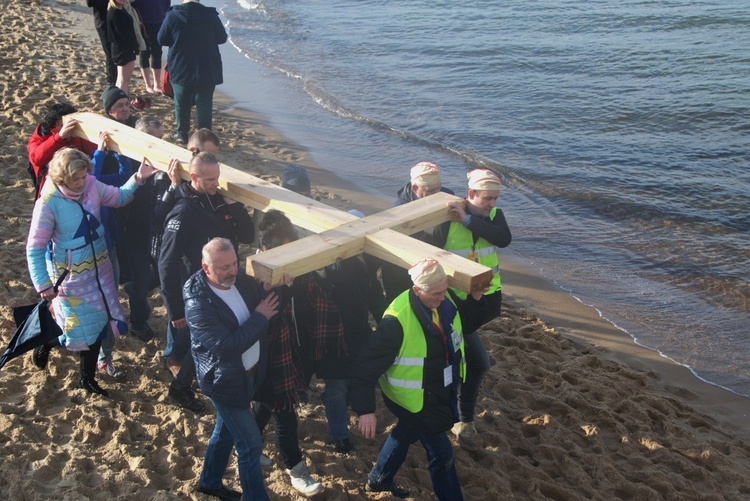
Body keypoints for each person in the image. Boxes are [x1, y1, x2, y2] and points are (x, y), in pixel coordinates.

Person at [351, 258, 489, 500]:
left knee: (406, 432)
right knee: (443, 454)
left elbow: (466, 324)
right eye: (436, 293)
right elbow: (365, 367)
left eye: (445, 290)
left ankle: (378, 480)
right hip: (413, 399)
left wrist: (475, 298)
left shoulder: (442, 301)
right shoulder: (396, 321)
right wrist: (365, 410)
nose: (443, 298)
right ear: (417, 290)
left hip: (437, 389)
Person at [27, 148, 155, 396]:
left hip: (101, 269)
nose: (80, 183)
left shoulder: (92, 184)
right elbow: (34, 248)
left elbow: (119, 198)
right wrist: (42, 284)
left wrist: (139, 178)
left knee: (97, 325)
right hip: (71, 278)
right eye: (75, 179)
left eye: (83, 176)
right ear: (62, 178)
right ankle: (63, 359)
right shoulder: (48, 203)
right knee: (81, 329)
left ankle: (80, 373)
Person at [184, 238, 281, 501]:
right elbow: (226, 346)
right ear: (206, 269)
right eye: (223, 267)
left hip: (248, 374)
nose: (232, 271)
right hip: (224, 382)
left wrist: (275, 285)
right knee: (250, 444)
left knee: (224, 431)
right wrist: (260, 316)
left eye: (234, 264)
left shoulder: (239, 280)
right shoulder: (198, 303)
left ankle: (209, 482)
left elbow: (265, 300)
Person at [423, 168, 512, 451]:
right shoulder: (446, 221)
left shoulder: (493, 217)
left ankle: (456, 416)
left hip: (483, 301)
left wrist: (471, 220)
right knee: (475, 362)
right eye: (487, 198)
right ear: (470, 194)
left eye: (495, 199)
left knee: (464, 361)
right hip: (452, 304)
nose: (493, 205)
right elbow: (427, 258)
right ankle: (461, 420)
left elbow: (504, 239)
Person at [159, 152, 254, 412]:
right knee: (203, 343)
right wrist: (174, 308)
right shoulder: (185, 210)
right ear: (193, 177)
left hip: (226, 281)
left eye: (217, 177)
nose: (216, 184)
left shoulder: (219, 201)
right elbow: (166, 262)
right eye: (210, 179)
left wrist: (235, 205)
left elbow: (248, 235)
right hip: (200, 289)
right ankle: (180, 387)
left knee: (206, 342)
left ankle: (184, 384)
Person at [252, 210, 331, 497]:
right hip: (272, 356)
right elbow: (267, 319)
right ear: (264, 249)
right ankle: (295, 468)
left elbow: (315, 299)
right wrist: (282, 288)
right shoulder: (258, 278)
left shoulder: (300, 268)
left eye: (291, 245)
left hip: (298, 351)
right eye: (280, 248)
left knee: (264, 405)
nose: (287, 253)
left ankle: (246, 445)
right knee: (284, 411)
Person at [101, 85, 155, 343]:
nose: (124, 109)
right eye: (118, 106)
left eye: (126, 104)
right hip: (120, 212)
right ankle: (138, 321)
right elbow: (106, 178)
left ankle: (138, 303)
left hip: (146, 206)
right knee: (134, 267)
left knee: (145, 268)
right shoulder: (104, 138)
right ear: (109, 111)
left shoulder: (139, 125)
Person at [91, 130, 133, 379]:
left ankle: (104, 358)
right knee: (83, 307)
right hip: (85, 257)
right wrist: (98, 153)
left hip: (109, 251)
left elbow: (124, 178)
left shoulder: (100, 183)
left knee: (110, 304)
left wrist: (119, 152)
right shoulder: (81, 187)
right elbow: (89, 179)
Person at [381, 162, 454, 304]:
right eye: (431, 191)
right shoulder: (399, 210)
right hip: (399, 267)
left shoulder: (446, 196)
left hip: (433, 259)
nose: (437, 195)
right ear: (415, 188)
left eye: (438, 189)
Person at [158, 0, 227, 145]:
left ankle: (181, 133)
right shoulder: (211, 16)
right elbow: (222, 38)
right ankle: (205, 137)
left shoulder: (173, 16)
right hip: (207, 67)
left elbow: (161, 38)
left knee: (181, 102)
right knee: (204, 103)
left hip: (180, 65)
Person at [27, 103, 96, 199]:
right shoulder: (41, 135)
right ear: (56, 124)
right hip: (53, 191)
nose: (69, 127)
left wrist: (91, 127)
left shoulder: (76, 134)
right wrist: (59, 137)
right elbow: (36, 159)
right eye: (63, 124)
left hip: (78, 187)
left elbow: (93, 151)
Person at [106, 0, 147, 95]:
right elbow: (125, 35)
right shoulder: (115, 12)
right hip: (123, 50)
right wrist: (135, 47)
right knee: (124, 81)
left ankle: (117, 101)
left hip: (121, 49)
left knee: (121, 80)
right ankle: (120, 102)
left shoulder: (120, 9)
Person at [131, 0, 170, 94]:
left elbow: (166, 7)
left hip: (159, 21)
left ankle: (157, 84)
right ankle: (148, 84)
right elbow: (132, 6)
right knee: (144, 52)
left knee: (157, 52)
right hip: (143, 23)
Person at [87, 0, 117, 85]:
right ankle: (112, 84)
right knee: (111, 55)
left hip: (118, 21)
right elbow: (90, 2)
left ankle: (118, 83)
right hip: (103, 22)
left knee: (119, 54)